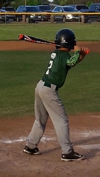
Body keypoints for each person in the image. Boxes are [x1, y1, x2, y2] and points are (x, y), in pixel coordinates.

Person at [24, 28, 89, 162]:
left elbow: (70, 64)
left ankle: (30, 146)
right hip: (49, 90)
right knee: (61, 120)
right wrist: (77, 51)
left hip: (41, 86)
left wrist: (81, 56)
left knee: (40, 119)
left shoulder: (58, 54)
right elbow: (70, 61)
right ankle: (67, 151)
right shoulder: (64, 56)